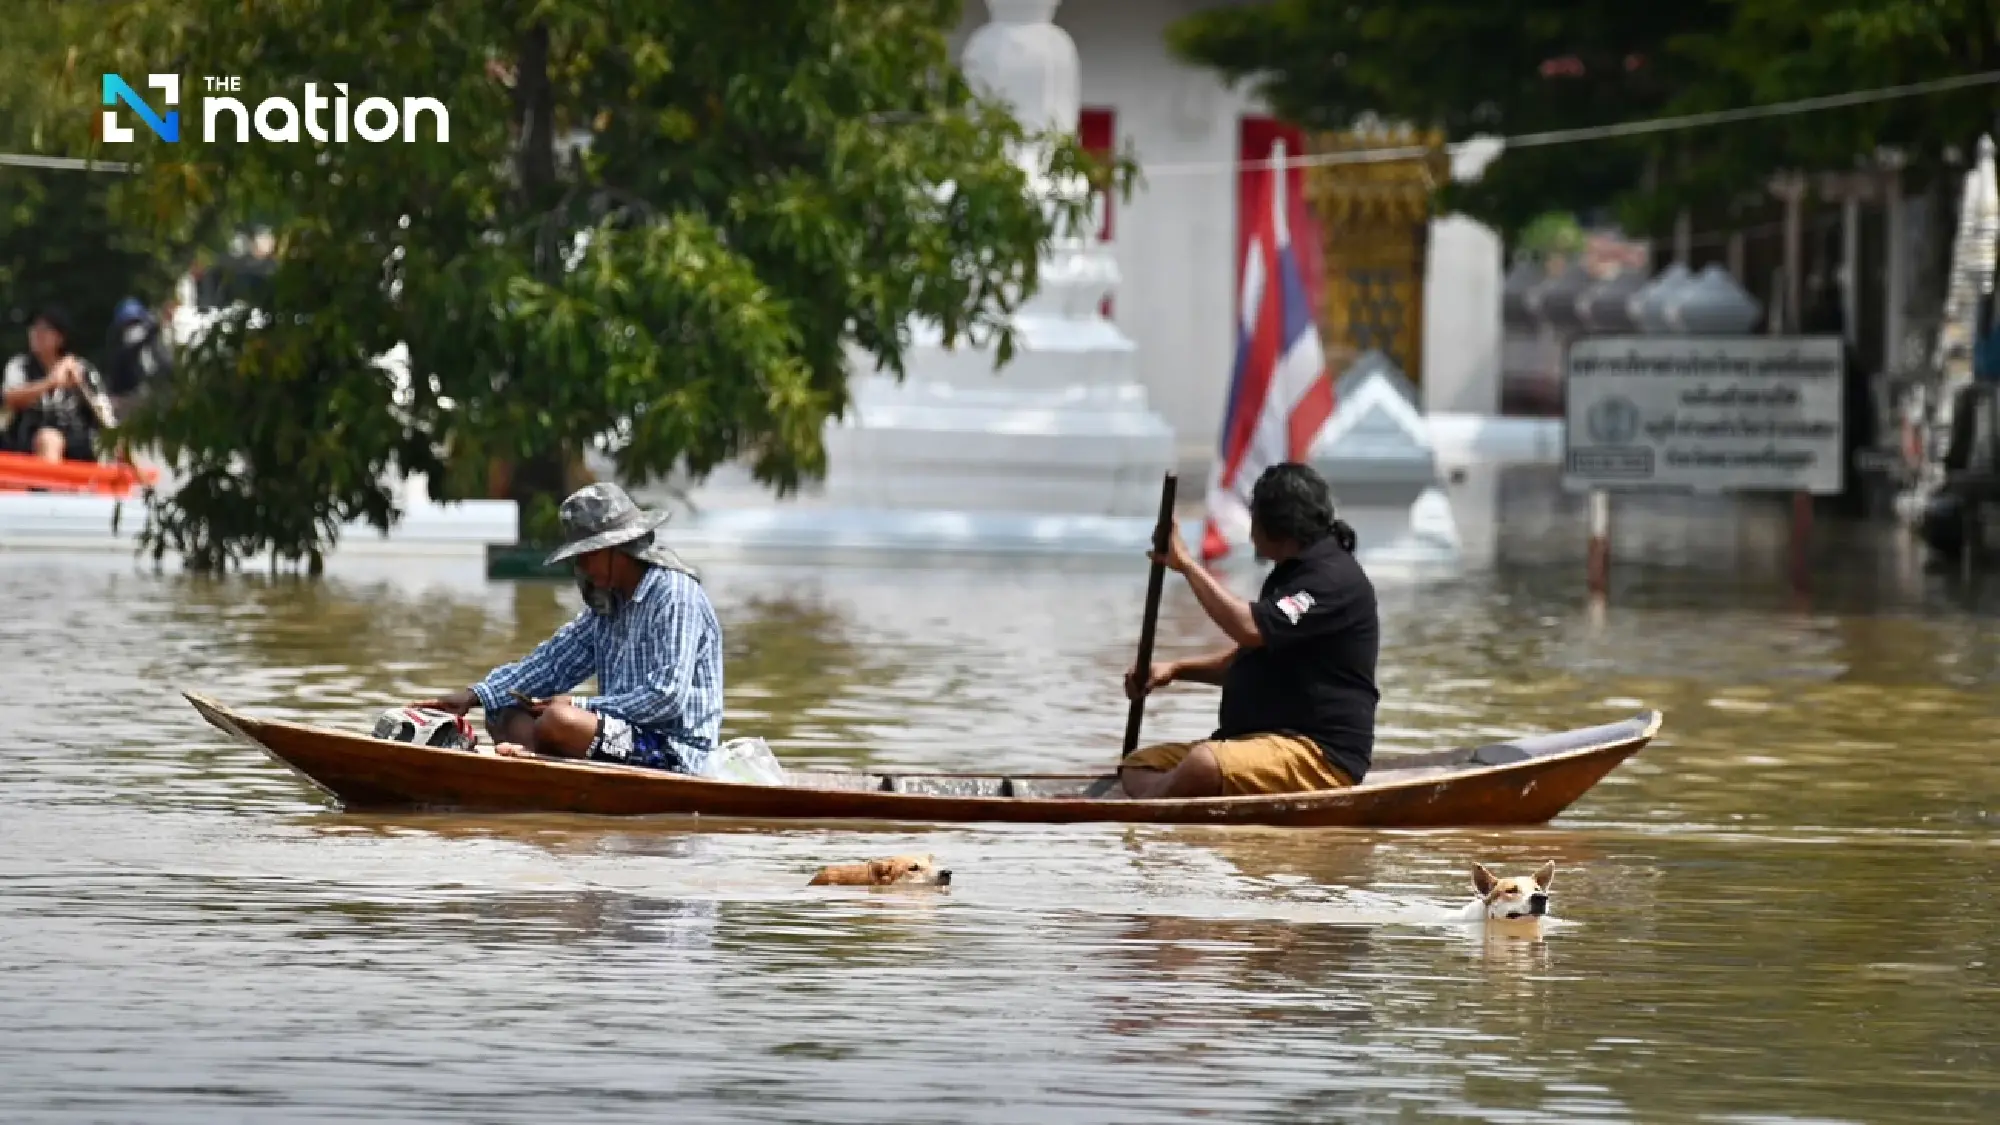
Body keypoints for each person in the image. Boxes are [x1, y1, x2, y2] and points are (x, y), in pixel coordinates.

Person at [414, 483, 725, 774]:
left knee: (559, 719)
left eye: (589, 556)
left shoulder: (674, 595)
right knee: (502, 708)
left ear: (619, 548)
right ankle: (542, 768)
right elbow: (550, 664)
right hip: (619, 738)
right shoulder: (607, 607)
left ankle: (540, 764)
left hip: (674, 751)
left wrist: (578, 705)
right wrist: (475, 695)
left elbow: (666, 699)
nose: (584, 568)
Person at [1115, 462, 1379, 799]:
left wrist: (1186, 566)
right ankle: (1173, 797)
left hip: (1317, 754)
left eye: (1254, 518)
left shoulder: (1331, 579)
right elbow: (1247, 659)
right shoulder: (1288, 576)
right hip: (1255, 744)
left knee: (1204, 764)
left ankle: (1158, 806)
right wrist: (1176, 670)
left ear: (1275, 525)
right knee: (1138, 764)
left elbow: (1249, 628)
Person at [1, 306, 105, 463]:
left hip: (76, 435)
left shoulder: (83, 369)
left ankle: (145, 485)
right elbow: (10, 398)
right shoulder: (20, 365)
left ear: (60, 338)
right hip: (28, 436)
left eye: (44, 329)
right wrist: (50, 382)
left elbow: (102, 410)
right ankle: (49, 488)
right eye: (34, 328)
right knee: (49, 439)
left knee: (118, 441)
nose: (36, 334)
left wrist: (81, 385)